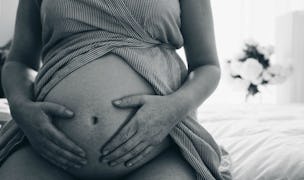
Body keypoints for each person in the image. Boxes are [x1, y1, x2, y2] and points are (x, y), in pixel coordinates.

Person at [0, 0, 231, 179]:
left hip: (160, 152)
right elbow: (19, 61)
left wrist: (173, 108)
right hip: (44, 154)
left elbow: (207, 66)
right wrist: (20, 107)